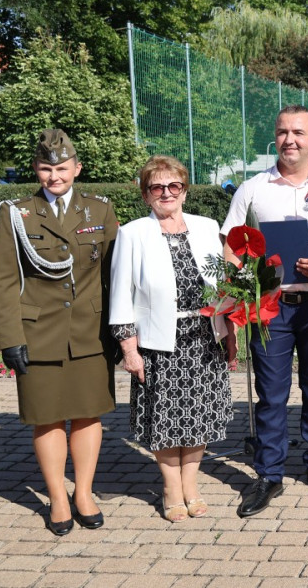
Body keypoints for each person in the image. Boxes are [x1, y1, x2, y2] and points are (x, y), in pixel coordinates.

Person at [224, 105, 308, 517]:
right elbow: (231, 246)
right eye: (282, 131)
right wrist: (242, 277)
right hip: (270, 308)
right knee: (271, 394)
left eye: (299, 132)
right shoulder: (252, 189)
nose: (289, 140)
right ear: (274, 136)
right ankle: (269, 474)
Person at [0, 129, 117, 536]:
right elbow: (5, 280)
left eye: (62, 167)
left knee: (86, 414)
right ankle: (57, 498)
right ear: (36, 169)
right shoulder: (16, 213)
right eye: (46, 168)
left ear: (77, 168)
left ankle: (82, 492)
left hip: (90, 331)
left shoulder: (99, 211)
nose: (54, 176)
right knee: (46, 418)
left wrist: (120, 330)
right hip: (38, 332)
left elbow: (114, 276)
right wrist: (9, 337)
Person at [109, 156, 236, 522]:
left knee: (199, 417)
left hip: (204, 337)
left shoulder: (207, 226)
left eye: (174, 186)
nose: (167, 193)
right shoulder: (133, 233)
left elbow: (221, 287)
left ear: (184, 190)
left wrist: (229, 335)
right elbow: (120, 296)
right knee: (165, 421)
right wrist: (129, 351)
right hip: (158, 344)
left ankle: (191, 485)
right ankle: (170, 488)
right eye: (157, 187)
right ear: (146, 194)